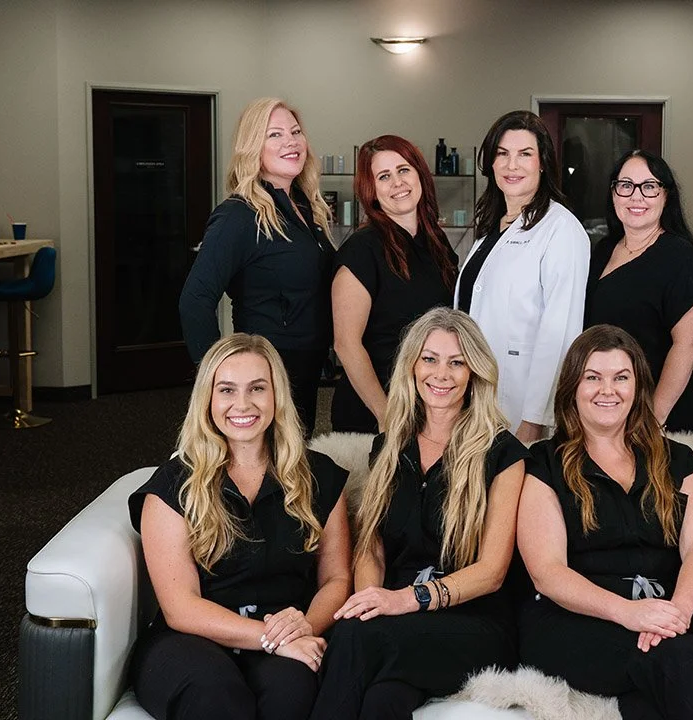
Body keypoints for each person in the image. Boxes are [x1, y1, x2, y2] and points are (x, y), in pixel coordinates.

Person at [310, 307, 529, 719]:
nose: (441, 374)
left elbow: (493, 571)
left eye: (456, 362)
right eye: (429, 359)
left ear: (475, 372)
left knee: (354, 639)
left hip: (474, 623)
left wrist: (405, 601)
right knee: (381, 701)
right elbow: (371, 547)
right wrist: (372, 600)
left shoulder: (504, 455)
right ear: (412, 366)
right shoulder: (389, 446)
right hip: (398, 620)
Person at [518, 325, 693, 720]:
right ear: (572, 388)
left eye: (621, 378)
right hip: (573, 622)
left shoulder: (677, 460)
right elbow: (547, 573)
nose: (608, 390)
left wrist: (678, 612)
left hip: (663, 613)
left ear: (638, 387)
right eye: (593, 377)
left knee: (656, 693)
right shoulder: (543, 464)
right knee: (676, 655)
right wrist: (628, 613)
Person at [128, 333, 352, 720]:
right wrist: (271, 640)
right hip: (191, 639)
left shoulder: (320, 477)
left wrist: (303, 627)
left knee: (293, 691)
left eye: (257, 389)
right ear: (208, 400)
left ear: (276, 396)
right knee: (217, 697)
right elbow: (181, 607)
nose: (242, 404)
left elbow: (336, 579)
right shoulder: (172, 486)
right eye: (227, 389)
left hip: (287, 628)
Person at [180, 98, 335, 436]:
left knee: (294, 467)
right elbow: (195, 300)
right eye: (275, 135)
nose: (290, 142)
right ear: (253, 148)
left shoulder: (305, 209)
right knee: (268, 472)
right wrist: (219, 379)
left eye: (295, 132)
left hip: (307, 367)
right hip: (267, 370)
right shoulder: (239, 214)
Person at [456, 110, 590, 443]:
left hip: (522, 402)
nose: (511, 165)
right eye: (502, 154)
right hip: (476, 390)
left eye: (525, 154)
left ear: (542, 162)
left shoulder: (561, 229)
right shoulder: (491, 227)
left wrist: (536, 418)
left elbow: (561, 333)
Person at [330, 135, 459, 434]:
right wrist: (385, 415)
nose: (397, 183)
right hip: (374, 412)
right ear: (372, 191)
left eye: (403, 170)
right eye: (384, 176)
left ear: (419, 175)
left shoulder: (437, 243)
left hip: (427, 404)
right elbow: (346, 344)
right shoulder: (362, 249)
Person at [585, 150, 693, 432]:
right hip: (606, 406)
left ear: (666, 196)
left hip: (656, 416)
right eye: (625, 186)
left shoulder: (679, 256)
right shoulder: (603, 250)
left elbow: (688, 344)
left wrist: (652, 418)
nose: (636, 197)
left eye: (649, 187)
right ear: (614, 193)